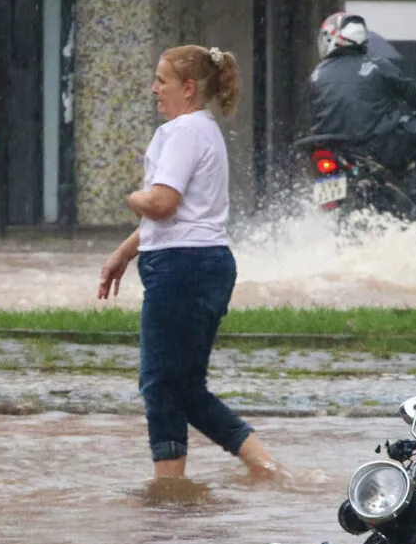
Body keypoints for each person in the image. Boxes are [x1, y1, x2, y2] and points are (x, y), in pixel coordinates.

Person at [97, 44, 284, 481]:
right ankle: (265, 471)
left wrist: (129, 196)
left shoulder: (182, 131)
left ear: (188, 87)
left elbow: (161, 204)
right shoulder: (204, 130)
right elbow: (181, 219)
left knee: (161, 383)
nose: (154, 89)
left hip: (182, 269)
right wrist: (124, 253)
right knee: (182, 386)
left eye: (161, 80)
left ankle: (170, 486)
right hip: (204, 263)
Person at [308, 11, 416, 212]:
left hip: (334, 150)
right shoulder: (375, 65)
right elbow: (411, 93)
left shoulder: (316, 75)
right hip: (378, 147)